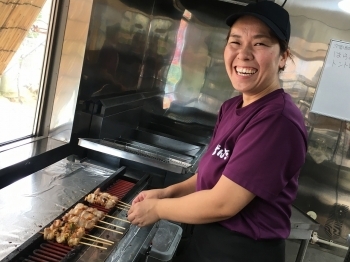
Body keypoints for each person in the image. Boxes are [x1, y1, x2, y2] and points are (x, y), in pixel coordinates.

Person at [127, 2, 308, 261]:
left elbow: (223, 203)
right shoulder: (232, 106)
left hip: (242, 251)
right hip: (208, 237)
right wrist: (169, 193)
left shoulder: (277, 121)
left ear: (283, 57)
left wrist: (158, 208)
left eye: (259, 44)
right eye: (235, 42)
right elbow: (210, 176)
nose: (243, 54)